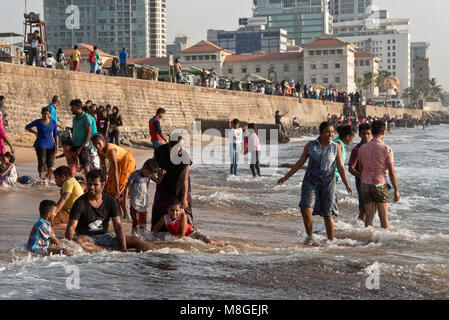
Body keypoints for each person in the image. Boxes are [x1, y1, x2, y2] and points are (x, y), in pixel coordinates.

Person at [277, 122, 353, 245]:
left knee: (327, 214)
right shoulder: (311, 145)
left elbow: (340, 167)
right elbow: (300, 163)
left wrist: (347, 184)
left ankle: (330, 242)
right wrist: (286, 177)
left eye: (332, 132)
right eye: (328, 132)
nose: (331, 134)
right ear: (321, 133)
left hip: (328, 183)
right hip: (310, 181)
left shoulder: (336, 146)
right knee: (306, 209)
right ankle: (310, 236)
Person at [65, 169, 152, 252]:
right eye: (89, 184)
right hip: (86, 238)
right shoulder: (79, 203)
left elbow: (118, 226)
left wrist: (123, 248)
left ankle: (148, 259)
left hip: (105, 237)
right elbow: (71, 227)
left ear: (103, 184)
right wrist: (69, 246)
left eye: (95, 185)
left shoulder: (111, 201)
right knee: (78, 242)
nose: (91, 187)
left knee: (139, 241)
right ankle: (109, 249)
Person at [358, 120, 400, 229]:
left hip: (365, 184)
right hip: (380, 184)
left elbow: (361, 168)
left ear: (371, 131)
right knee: (383, 216)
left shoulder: (362, 148)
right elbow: (392, 172)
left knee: (369, 215)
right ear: (384, 132)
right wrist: (396, 190)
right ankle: (384, 242)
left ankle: (367, 239)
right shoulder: (387, 149)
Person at [152, 134, 193, 231]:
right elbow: (153, 166)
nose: (181, 150)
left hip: (181, 188)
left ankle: (186, 239)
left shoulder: (185, 156)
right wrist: (158, 171)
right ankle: (156, 239)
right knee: (159, 214)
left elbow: (184, 179)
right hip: (163, 187)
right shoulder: (160, 151)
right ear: (170, 146)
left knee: (185, 215)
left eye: (183, 147)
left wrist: (184, 198)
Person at [92, 134, 137, 218]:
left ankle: (126, 215)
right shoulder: (100, 151)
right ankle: (118, 214)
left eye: (99, 143)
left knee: (120, 188)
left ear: (104, 142)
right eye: (95, 144)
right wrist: (103, 183)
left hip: (127, 160)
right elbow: (103, 168)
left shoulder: (111, 150)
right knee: (110, 187)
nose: (97, 146)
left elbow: (115, 169)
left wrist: (116, 187)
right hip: (117, 162)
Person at [153, 198, 224, 246]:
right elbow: (155, 228)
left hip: (193, 233)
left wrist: (173, 243)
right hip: (178, 235)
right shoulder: (165, 218)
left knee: (209, 242)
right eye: (171, 210)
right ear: (167, 210)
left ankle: (222, 243)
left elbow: (182, 234)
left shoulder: (183, 216)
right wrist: (156, 237)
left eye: (176, 211)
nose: (174, 213)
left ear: (180, 210)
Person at [123, 159, 166, 236]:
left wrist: (161, 175)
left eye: (151, 174)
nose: (149, 175)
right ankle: (134, 238)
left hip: (144, 203)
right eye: (149, 173)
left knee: (143, 223)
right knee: (136, 223)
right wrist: (124, 201)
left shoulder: (149, 176)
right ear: (144, 167)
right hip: (134, 203)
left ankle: (142, 237)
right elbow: (127, 188)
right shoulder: (134, 175)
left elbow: (158, 181)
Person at [25, 107, 59, 180]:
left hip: (51, 145)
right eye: (44, 113)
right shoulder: (38, 122)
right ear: (42, 114)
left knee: (50, 163)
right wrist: (35, 132)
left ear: (49, 114)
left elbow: (56, 134)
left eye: (47, 113)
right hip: (40, 144)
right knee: (42, 162)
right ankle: (42, 179)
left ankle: (49, 179)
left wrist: (57, 146)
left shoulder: (53, 122)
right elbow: (27, 127)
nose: (46, 115)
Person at [348, 123, 372, 222]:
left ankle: (365, 231)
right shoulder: (357, 150)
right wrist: (361, 176)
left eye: (368, 133)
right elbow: (350, 168)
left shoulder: (374, 148)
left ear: (371, 134)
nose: (366, 136)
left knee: (371, 210)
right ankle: (359, 229)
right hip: (361, 184)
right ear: (359, 135)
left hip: (373, 183)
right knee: (363, 210)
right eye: (363, 133)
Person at [70, 99, 92, 175]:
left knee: (86, 166)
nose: (71, 110)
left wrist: (81, 148)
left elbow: (89, 134)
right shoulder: (74, 118)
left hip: (83, 147)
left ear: (78, 107)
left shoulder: (86, 117)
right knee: (74, 166)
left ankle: (89, 182)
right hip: (74, 145)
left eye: (73, 108)